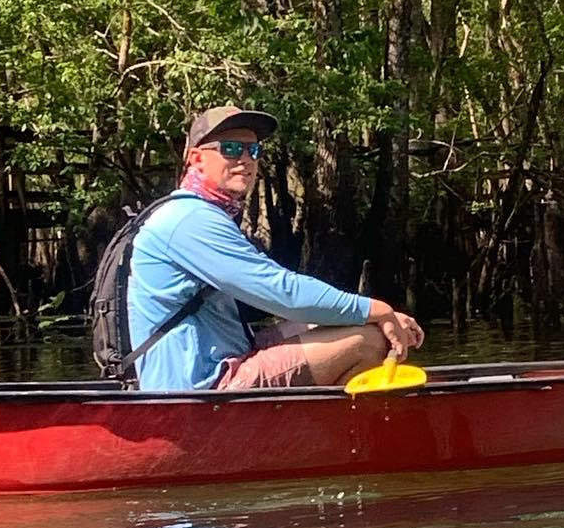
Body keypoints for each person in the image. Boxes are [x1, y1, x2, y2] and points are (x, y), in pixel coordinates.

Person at [126, 105, 423, 391]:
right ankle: (337, 439)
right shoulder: (189, 219)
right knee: (368, 339)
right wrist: (376, 310)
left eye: (252, 150)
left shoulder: (202, 213)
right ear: (196, 158)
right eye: (230, 149)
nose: (245, 158)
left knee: (328, 324)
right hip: (200, 387)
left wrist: (386, 316)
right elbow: (281, 292)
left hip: (229, 359)